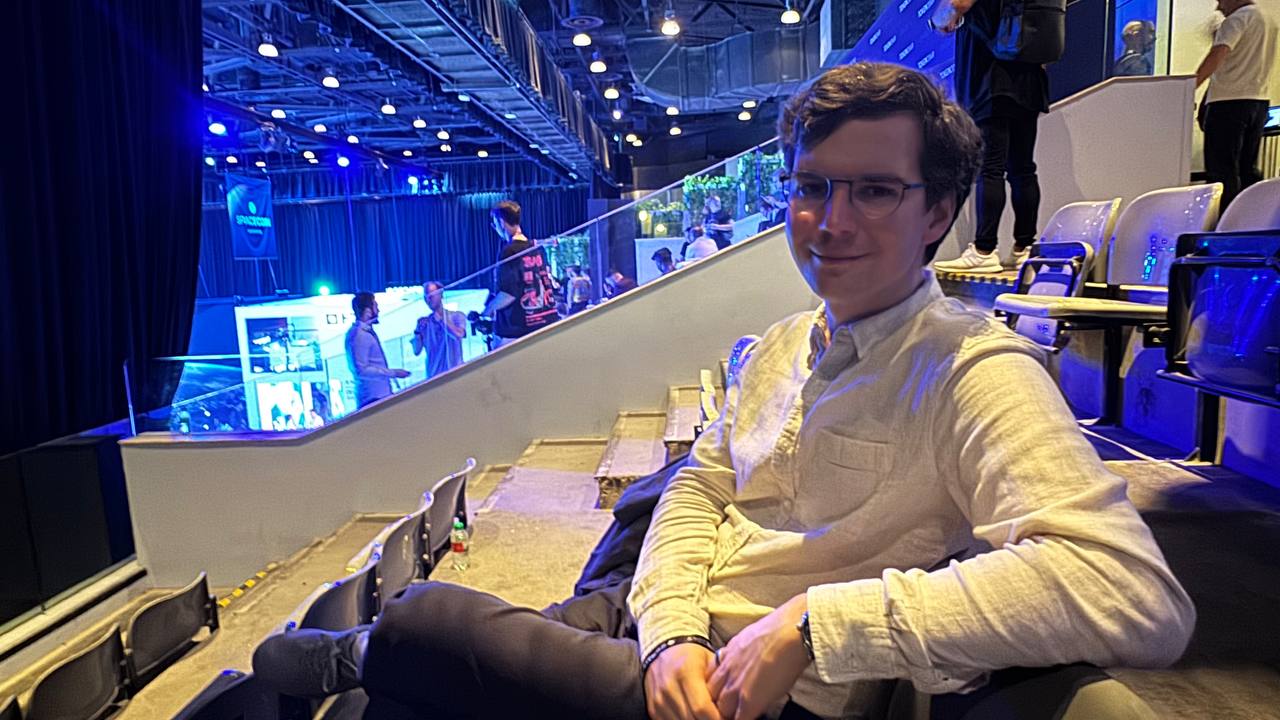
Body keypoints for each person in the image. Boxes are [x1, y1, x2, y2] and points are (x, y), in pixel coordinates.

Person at [255, 63, 1194, 720]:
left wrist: (816, 626)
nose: (830, 221)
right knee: (413, 699)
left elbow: (1131, 591)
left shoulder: (973, 369)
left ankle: (369, 646)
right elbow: (698, 492)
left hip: (750, 698)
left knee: (426, 619)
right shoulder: (783, 342)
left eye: (873, 191)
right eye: (812, 187)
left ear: (938, 213)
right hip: (669, 629)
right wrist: (669, 632)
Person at [932, 0, 1051, 274]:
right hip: (1029, 77)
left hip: (990, 76)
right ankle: (1024, 248)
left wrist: (939, 18)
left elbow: (957, 4)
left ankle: (984, 250)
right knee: (1023, 168)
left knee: (990, 168)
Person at [1194, 0, 1277, 210]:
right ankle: (1247, 216)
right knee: (1246, 167)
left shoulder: (1237, 19)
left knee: (1222, 169)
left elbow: (1218, 55)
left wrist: (1188, 87)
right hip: (1258, 101)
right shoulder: (1268, 20)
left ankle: (1223, 221)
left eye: (1221, 0)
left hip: (1227, 104)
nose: (1218, 7)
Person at [481, 200, 558, 348]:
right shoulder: (537, 248)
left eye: (495, 224)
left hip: (517, 330)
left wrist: (488, 310)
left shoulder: (509, 251)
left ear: (501, 222)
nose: (495, 228)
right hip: (544, 322)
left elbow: (508, 294)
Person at [344, 291, 410, 409]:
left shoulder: (363, 333)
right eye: (376, 306)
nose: (378, 311)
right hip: (373, 398)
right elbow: (361, 370)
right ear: (368, 311)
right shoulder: (359, 335)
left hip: (378, 396)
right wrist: (393, 373)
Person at [412, 280, 465, 379]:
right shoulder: (425, 323)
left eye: (431, 295)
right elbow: (416, 351)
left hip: (455, 374)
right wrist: (417, 332)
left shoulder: (457, 316)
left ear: (441, 294)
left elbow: (458, 335)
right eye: (425, 297)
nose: (428, 299)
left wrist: (441, 319)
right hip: (433, 376)